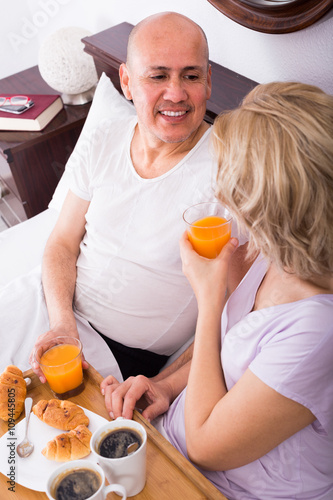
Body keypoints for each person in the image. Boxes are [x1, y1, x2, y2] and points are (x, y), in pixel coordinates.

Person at [101, 82, 333, 500]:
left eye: (235, 184)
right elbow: (232, 354)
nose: (223, 196)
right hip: (172, 442)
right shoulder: (276, 251)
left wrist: (210, 301)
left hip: (219, 484)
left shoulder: (319, 330)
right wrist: (166, 388)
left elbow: (207, 448)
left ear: (278, 204)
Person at [29, 12, 215, 381]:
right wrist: (62, 324)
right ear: (127, 82)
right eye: (158, 76)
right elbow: (63, 242)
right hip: (51, 308)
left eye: (191, 76)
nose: (175, 93)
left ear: (208, 81)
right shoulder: (106, 137)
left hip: (122, 361)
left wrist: (163, 385)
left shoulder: (235, 170)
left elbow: (235, 312)